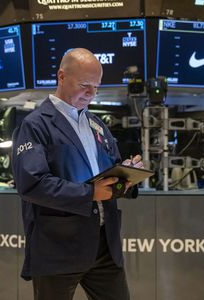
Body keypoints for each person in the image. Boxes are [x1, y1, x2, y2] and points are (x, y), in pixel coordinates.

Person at [13, 48, 143, 300]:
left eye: (96, 86)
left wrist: (127, 175)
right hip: (58, 246)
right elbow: (32, 184)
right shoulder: (35, 125)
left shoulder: (97, 124)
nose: (91, 94)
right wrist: (89, 193)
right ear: (61, 77)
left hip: (105, 246)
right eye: (85, 85)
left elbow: (109, 176)